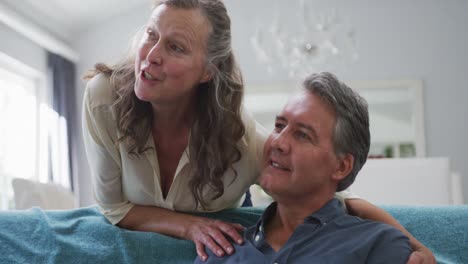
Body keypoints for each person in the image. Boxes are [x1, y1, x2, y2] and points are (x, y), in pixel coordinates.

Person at [82, 0, 434, 263]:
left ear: (208, 71)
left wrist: (415, 245)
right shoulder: (103, 98)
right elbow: (113, 207)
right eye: (151, 35)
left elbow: (324, 196)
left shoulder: (245, 144)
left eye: (175, 47)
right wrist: (189, 226)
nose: (151, 55)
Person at [194, 72, 412, 263]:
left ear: (341, 166)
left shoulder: (379, 245)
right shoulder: (220, 251)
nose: (278, 142)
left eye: (302, 135)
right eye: (279, 126)